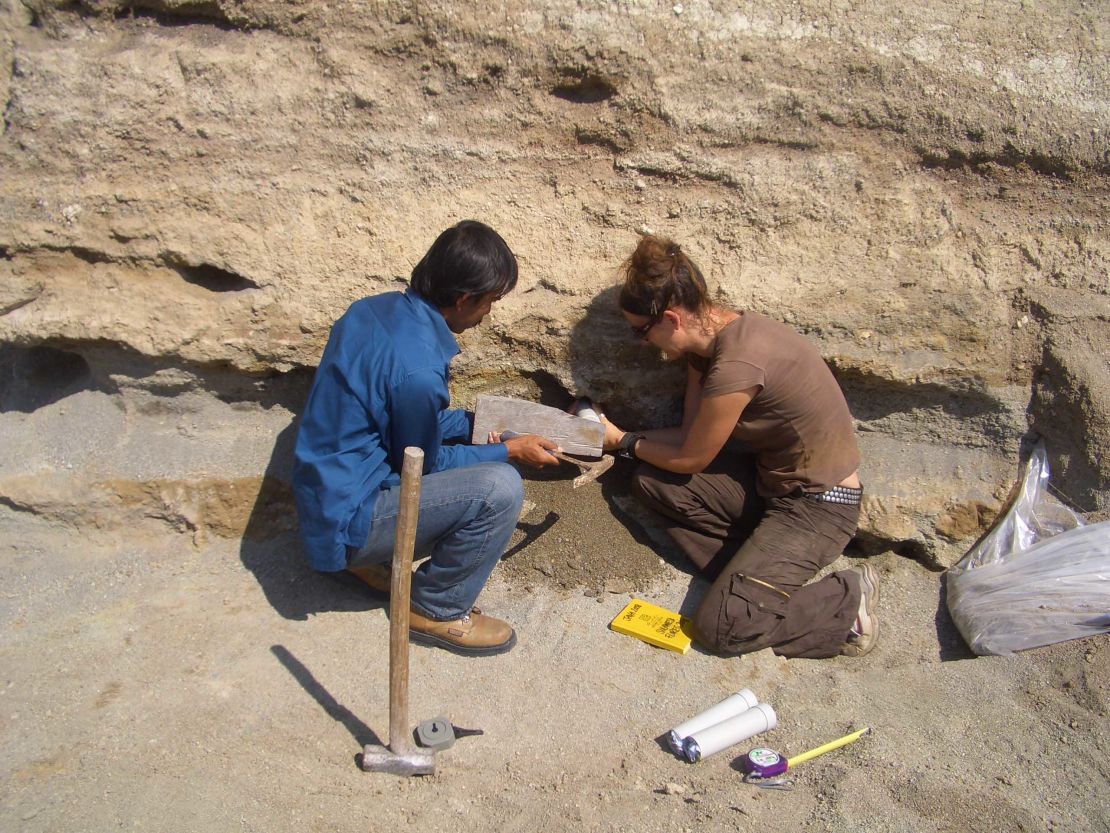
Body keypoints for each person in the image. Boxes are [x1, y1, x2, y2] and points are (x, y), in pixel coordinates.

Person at [600, 234, 879, 659]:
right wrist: (611, 436)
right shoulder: (707, 348)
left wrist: (622, 441)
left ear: (671, 320)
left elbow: (694, 457)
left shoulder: (736, 366)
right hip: (773, 489)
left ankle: (844, 599)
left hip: (820, 507)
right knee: (652, 481)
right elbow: (689, 435)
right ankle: (751, 581)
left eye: (641, 331)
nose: (642, 342)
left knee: (722, 629)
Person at [292, 220, 558, 656]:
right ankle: (435, 608)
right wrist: (507, 451)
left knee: (481, 463)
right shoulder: (417, 371)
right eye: (489, 302)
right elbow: (421, 466)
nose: (489, 313)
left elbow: (401, 419)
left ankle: (376, 563)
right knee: (500, 488)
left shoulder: (371, 310)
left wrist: (476, 425)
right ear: (462, 299)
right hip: (349, 520)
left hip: (324, 496)